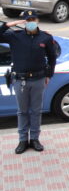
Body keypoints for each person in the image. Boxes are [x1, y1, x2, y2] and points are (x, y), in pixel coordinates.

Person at [0, 10, 57, 154]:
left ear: (37, 20)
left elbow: (52, 57)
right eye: (28, 20)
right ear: (24, 21)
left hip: (38, 79)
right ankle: (23, 140)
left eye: (33, 19)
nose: (31, 22)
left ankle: (35, 139)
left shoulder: (45, 37)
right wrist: (8, 24)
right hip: (20, 80)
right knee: (22, 111)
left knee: (36, 111)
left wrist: (49, 75)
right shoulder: (14, 36)